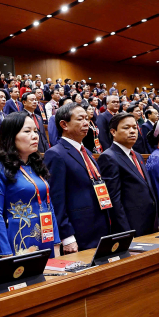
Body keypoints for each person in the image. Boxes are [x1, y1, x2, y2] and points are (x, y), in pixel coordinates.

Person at [0, 112, 60, 258]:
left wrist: (56, 243)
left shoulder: (36, 166)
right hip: (18, 240)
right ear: (11, 136)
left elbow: (49, 205)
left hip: (45, 237)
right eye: (27, 131)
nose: (35, 136)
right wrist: (6, 253)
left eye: (35, 131)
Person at [44, 103, 111, 253]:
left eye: (87, 118)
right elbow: (56, 199)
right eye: (80, 119)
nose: (86, 123)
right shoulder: (55, 154)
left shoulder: (86, 151)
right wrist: (67, 236)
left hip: (99, 225)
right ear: (64, 125)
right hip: (78, 232)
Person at [98, 113, 158, 237]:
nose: (132, 131)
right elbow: (114, 199)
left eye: (135, 127)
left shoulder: (138, 156)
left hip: (150, 222)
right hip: (131, 226)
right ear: (113, 132)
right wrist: (125, 232)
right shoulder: (109, 157)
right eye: (126, 128)